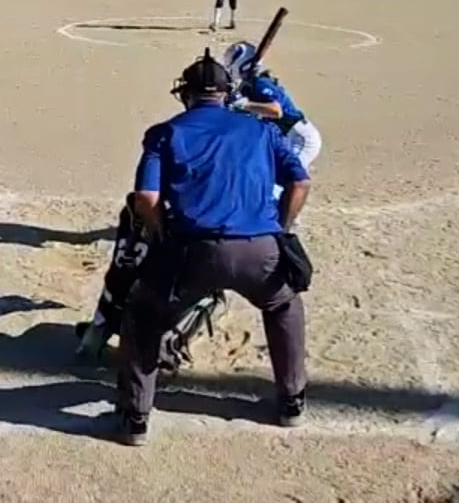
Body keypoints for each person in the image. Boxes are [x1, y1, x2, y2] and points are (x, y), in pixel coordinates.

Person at [113, 50, 311, 446]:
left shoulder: (165, 133)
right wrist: (281, 229)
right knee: (282, 304)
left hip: (192, 253)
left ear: (185, 94)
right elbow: (300, 182)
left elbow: (146, 198)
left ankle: (136, 417)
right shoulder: (261, 129)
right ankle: (291, 401)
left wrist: (162, 233)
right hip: (260, 251)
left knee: (144, 315)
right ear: (225, 93)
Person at [222, 41, 323, 181]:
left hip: (300, 138)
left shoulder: (260, 83)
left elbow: (276, 110)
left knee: (287, 178)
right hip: (287, 137)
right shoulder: (249, 86)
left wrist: (244, 105)